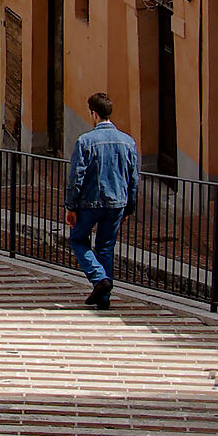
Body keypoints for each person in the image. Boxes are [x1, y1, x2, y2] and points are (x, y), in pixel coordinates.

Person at [67, 91, 141, 310]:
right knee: (106, 247)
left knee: (78, 240)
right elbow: (133, 178)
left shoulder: (86, 141)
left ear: (93, 114)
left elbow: (76, 177)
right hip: (117, 202)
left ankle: (99, 278)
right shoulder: (128, 142)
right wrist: (130, 207)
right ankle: (104, 298)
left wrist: (71, 205)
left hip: (90, 201)